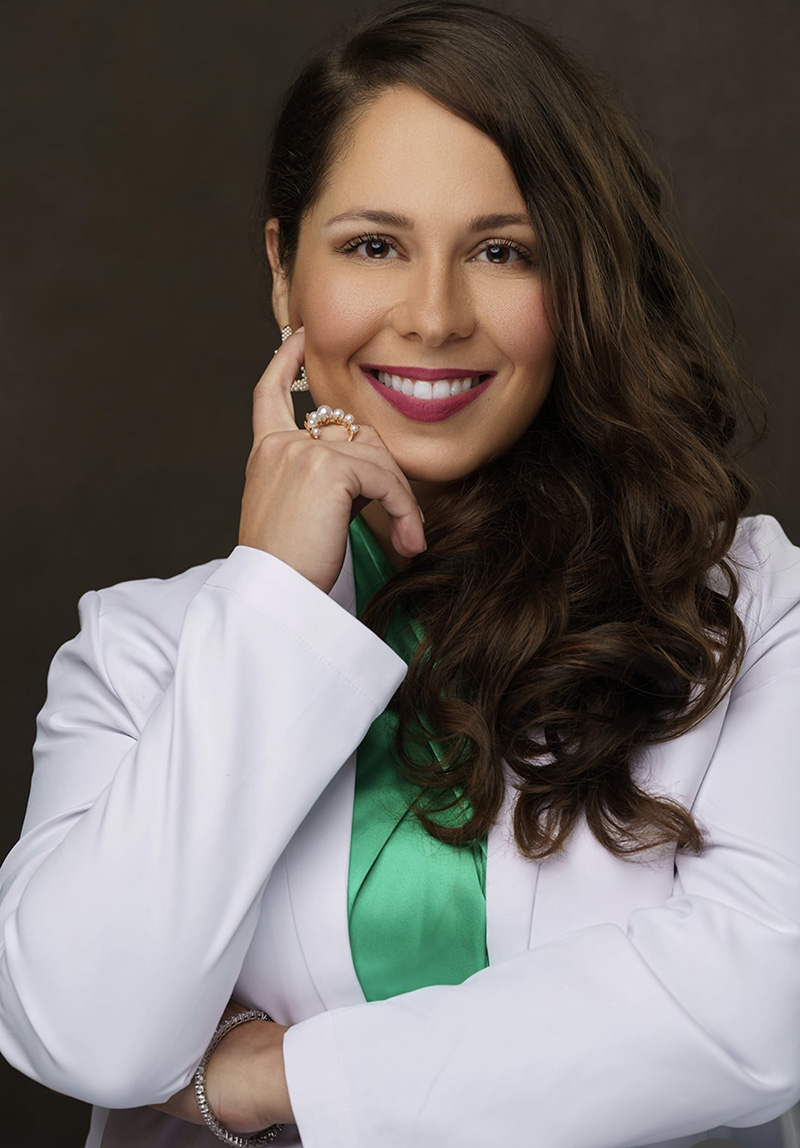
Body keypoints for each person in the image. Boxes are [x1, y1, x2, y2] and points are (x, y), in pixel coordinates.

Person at [1, 2, 798, 1145]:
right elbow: (88, 1032)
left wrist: (279, 1077)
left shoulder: (748, 603)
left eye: (501, 251)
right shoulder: (145, 649)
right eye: (373, 244)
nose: (432, 316)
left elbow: (755, 1010)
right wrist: (273, 599)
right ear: (283, 272)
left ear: (580, 280)